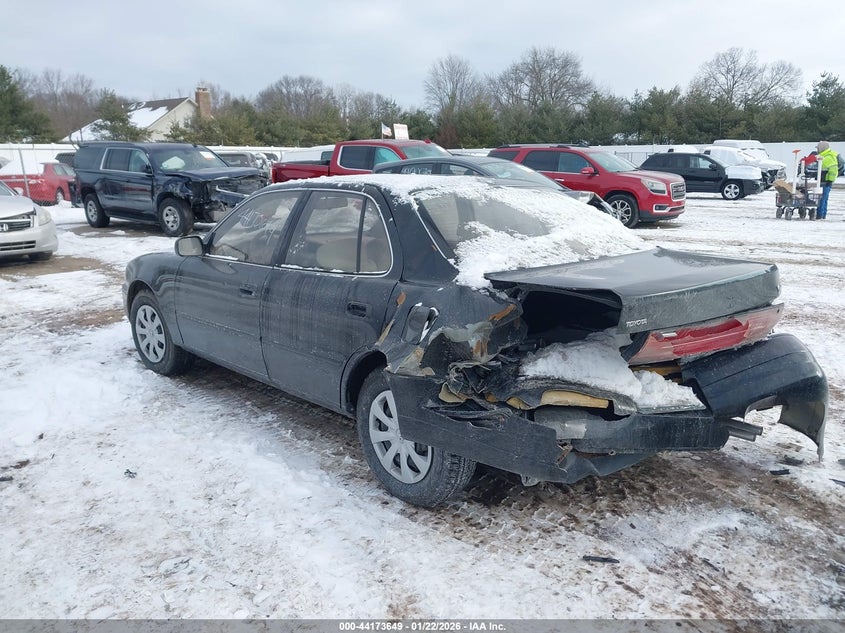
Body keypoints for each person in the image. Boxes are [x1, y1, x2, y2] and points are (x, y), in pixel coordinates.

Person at [815, 140, 838, 219]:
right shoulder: (823, 156)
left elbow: (833, 170)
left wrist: (830, 180)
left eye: (818, 148)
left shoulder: (828, 157)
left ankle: (820, 215)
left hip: (826, 181)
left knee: (822, 198)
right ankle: (822, 214)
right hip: (823, 180)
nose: (817, 150)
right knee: (823, 198)